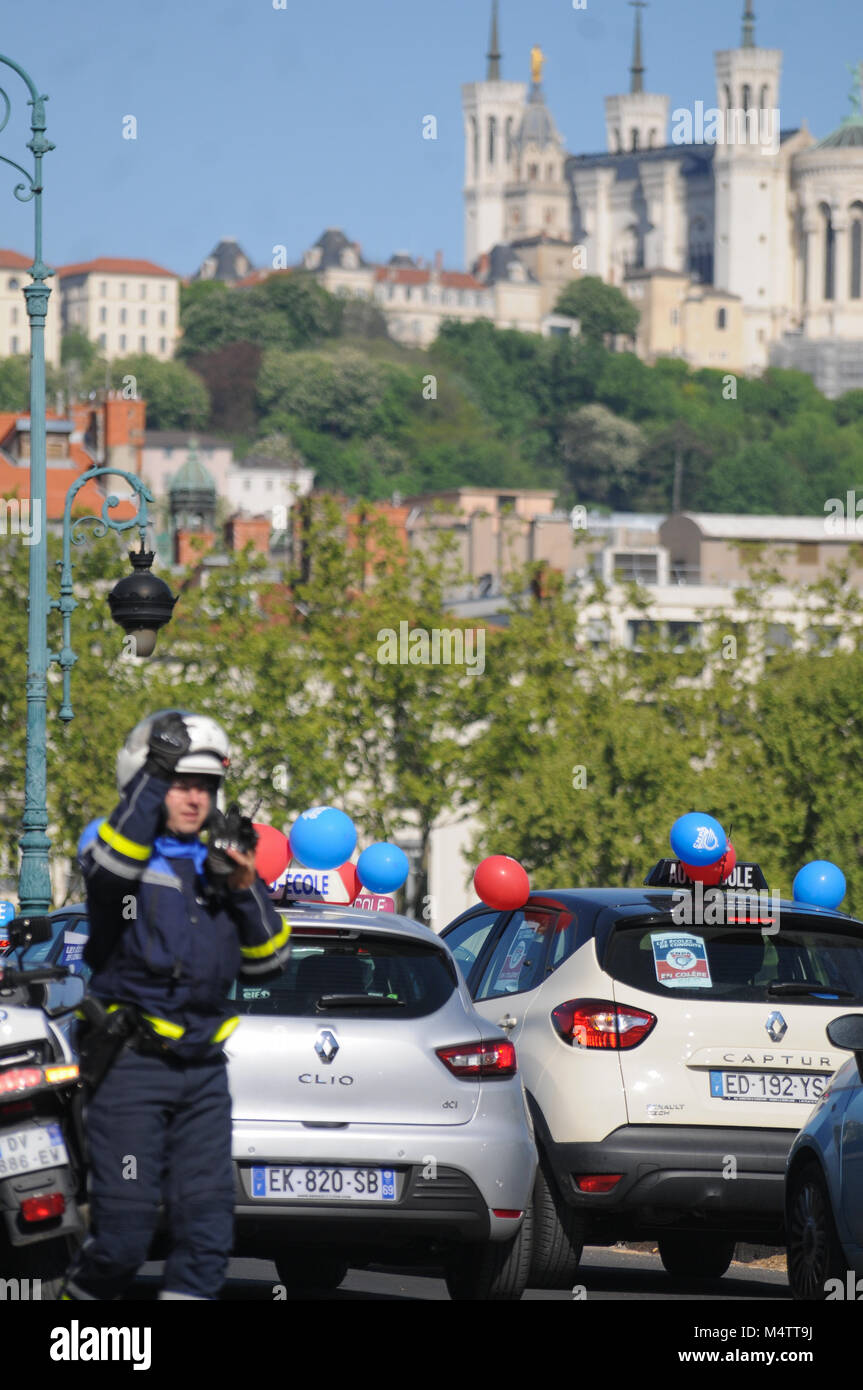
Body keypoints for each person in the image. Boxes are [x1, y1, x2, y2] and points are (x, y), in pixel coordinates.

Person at [63, 709, 291, 1301]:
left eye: (205, 786)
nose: (193, 798)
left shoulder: (219, 861)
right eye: (179, 783)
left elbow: (270, 961)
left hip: (203, 1075)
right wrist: (154, 773)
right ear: (150, 782)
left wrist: (242, 890)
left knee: (208, 1237)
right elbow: (113, 870)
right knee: (122, 1240)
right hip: (132, 1066)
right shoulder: (109, 841)